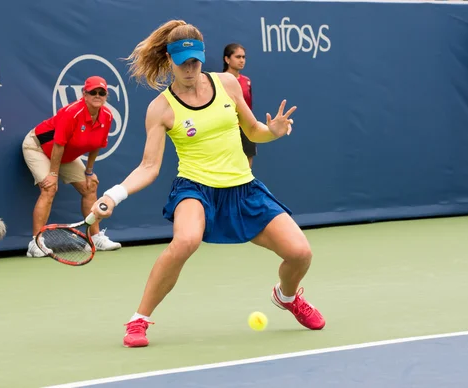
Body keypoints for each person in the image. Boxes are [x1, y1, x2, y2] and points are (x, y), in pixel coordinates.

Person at [91, 20, 325, 348]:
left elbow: (253, 129)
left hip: (243, 187)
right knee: (185, 241)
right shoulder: (160, 108)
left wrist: (272, 132)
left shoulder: (228, 84)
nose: (190, 68)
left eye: (195, 61)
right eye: (183, 62)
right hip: (195, 188)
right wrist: (115, 195)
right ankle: (139, 320)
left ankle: (287, 297)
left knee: (300, 253)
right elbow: (149, 166)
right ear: (169, 60)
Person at [22, 76, 121, 258]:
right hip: (38, 147)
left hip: (65, 153)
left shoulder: (107, 116)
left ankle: (95, 237)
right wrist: (52, 173)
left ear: (106, 95)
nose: (97, 96)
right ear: (84, 94)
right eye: (93, 92)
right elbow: (58, 144)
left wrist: (89, 172)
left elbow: (97, 145)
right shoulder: (71, 113)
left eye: (101, 93)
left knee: (90, 187)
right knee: (50, 188)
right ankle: (35, 243)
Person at [223, 43, 256, 167]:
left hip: (245, 129)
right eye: (238, 57)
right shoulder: (219, 80)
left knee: (247, 166)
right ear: (227, 59)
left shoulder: (247, 81)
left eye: (243, 57)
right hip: (227, 129)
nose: (242, 60)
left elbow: (248, 105)